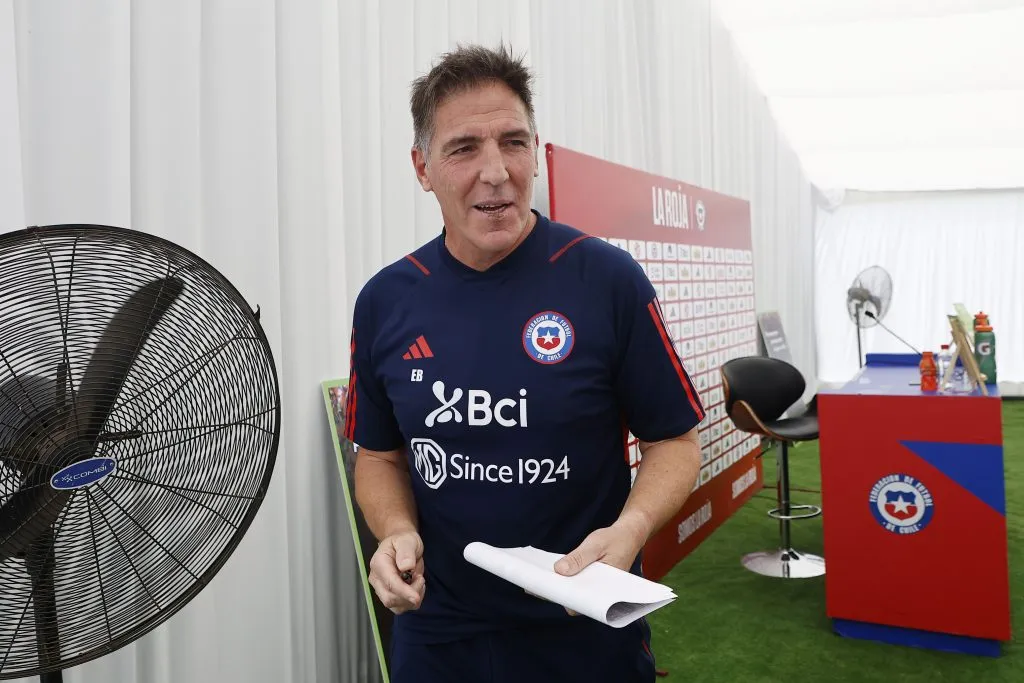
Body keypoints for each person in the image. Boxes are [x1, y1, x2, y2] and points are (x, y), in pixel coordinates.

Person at [346, 43, 704, 683]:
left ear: (536, 151)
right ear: (422, 167)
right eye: (464, 149)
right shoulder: (385, 301)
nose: (496, 172)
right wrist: (395, 530)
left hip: (581, 629)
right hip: (440, 635)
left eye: (514, 142)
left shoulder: (606, 280)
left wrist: (632, 528)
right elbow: (377, 457)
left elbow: (673, 440)